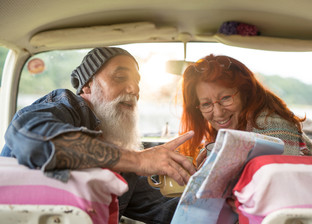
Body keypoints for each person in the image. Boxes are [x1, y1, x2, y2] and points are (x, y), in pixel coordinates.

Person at [0, 47, 196, 224]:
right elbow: (32, 139)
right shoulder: (66, 107)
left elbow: (166, 210)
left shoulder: (120, 154)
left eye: (137, 83)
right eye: (120, 78)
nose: (134, 89)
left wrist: (213, 191)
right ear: (87, 85)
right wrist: (138, 159)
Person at [178, 54, 312, 167]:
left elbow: (278, 185)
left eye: (226, 98)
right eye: (206, 104)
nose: (219, 113)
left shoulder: (270, 124)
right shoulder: (237, 127)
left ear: (245, 93)